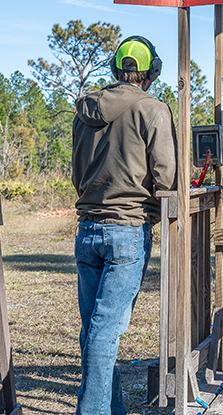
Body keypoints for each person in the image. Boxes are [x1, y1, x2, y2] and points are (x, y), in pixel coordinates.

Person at [71, 35, 176, 415]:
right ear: (152, 72)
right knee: (105, 330)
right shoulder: (153, 109)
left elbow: (77, 174)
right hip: (127, 229)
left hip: (87, 228)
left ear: (117, 69)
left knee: (94, 329)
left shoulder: (84, 110)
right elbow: (167, 178)